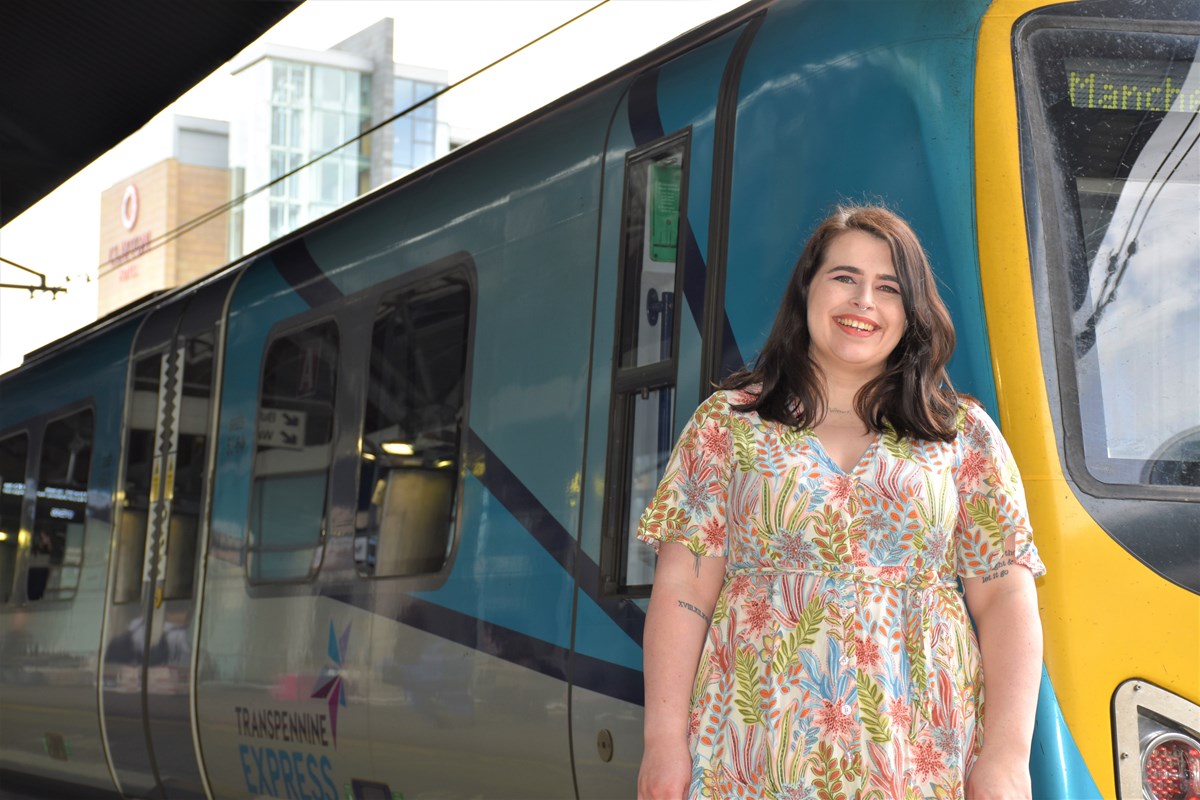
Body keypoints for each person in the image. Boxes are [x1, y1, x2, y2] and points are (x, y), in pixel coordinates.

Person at [636, 205, 1045, 800]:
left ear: (912, 313)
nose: (864, 302)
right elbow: (683, 591)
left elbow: (1007, 595)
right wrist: (662, 742)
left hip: (922, 752)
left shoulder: (964, 435)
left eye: (889, 288)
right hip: (753, 745)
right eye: (844, 277)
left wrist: (1007, 758)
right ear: (807, 290)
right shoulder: (727, 426)